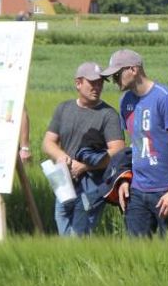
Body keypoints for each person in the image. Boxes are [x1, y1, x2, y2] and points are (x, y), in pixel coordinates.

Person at [100, 49, 168, 237]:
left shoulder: (164, 98)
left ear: (133, 70)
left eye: (117, 74)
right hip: (136, 191)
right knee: (136, 251)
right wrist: (124, 179)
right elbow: (135, 145)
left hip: (165, 191)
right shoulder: (125, 101)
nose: (114, 80)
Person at [42, 62, 125, 236]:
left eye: (100, 83)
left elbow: (118, 151)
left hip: (92, 186)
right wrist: (61, 156)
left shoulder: (108, 114)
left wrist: (84, 167)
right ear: (78, 83)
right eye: (92, 82)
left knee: (79, 233)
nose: (97, 87)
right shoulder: (64, 108)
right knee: (61, 220)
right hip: (64, 182)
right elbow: (48, 142)